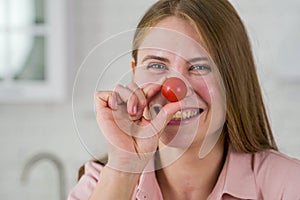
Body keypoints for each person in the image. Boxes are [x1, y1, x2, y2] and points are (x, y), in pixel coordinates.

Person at [68, 0, 300, 199]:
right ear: (134, 73)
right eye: (157, 65)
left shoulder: (288, 185)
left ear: (234, 80)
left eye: (200, 66)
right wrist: (124, 169)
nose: (174, 89)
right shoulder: (99, 184)